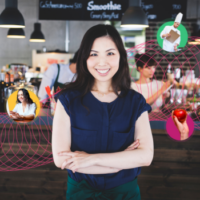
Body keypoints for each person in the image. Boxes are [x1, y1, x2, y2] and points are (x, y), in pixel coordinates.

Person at [52, 24, 154, 200]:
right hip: (81, 194)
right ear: (84, 58)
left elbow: (145, 157)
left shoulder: (135, 102)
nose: (102, 62)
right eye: (93, 54)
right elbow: (61, 160)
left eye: (110, 53)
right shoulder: (67, 100)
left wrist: (91, 159)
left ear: (121, 56)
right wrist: (122, 161)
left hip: (125, 194)